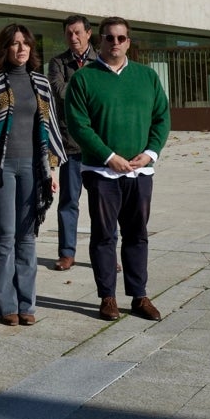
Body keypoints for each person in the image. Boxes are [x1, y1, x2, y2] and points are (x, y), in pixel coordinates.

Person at [65, 16, 170, 322]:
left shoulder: (147, 77)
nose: (115, 43)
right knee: (104, 236)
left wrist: (150, 153)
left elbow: (162, 117)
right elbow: (78, 125)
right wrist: (108, 155)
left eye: (121, 38)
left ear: (129, 42)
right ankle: (107, 297)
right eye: (109, 38)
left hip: (140, 172)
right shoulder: (84, 79)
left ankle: (139, 296)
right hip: (102, 172)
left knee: (137, 234)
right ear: (99, 40)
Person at [0, 24, 65, 326]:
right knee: (6, 237)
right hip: (1, 168)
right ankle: (6, 305)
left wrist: (51, 169)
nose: (20, 48)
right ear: (5, 49)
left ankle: (28, 305)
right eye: (14, 43)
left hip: (33, 169)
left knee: (27, 238)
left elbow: (50, 127)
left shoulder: (41, 83)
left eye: (25, 43)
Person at [46, 15, 97, 272]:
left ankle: (106, 251)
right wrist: (91, 92)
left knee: (104, 203)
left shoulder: (100, 61)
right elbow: (58, 91)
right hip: (70, 144)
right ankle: (67, 252)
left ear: (88, 33)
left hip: (99, 146)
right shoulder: (57, 62)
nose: (74, 38)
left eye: (78, 33)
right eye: (69, 34)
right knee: (68, 201)